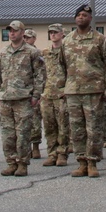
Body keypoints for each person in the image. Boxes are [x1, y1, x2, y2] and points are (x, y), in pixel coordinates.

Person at [61, 4, 106, 177]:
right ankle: (81, 162)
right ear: (74, 18)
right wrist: (63, 88)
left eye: (85, 15)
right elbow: (62, 65)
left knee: (94, 128)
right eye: (78, 15)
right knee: (76, 129)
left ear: (90, 18)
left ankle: (92, 162)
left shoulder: (100, 40)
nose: (81, 17)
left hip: (94, 91)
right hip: (73, 91)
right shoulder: (67, 41)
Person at [0, 20, 46, 177]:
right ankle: (11, 163)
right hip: (6, 99)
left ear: (23, 32)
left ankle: (22, 164)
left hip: (23, 99)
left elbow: (40, 76)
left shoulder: (32, 52)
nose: (12, 33)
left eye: (15, 30)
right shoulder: (3, 53)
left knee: (23, 134)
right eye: (10, 30)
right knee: (7, 134)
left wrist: (36, 95)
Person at [40, 24, 70, 166]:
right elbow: (40, 73)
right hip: (47, 94)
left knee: (63, 126)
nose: (53, 35)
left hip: (62, 94)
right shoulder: (45, 53)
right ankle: (52, 154)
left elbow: (72, 72)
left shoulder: (67, 52)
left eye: (55, 32)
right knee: (49, 126)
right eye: (51, 32)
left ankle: (62, 153)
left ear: (62, 34)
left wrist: (67, 90)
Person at [24, 29, 44, 160]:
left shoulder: (38, 54)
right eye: (25, 37)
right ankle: (26, 149)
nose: (26, 40)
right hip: (21, 93)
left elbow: (41, 75)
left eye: (29, 38)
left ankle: (36, 147)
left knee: (36, 121)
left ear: (34, 39)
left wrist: (39, 93)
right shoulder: (20, 54)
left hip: (34, 92)